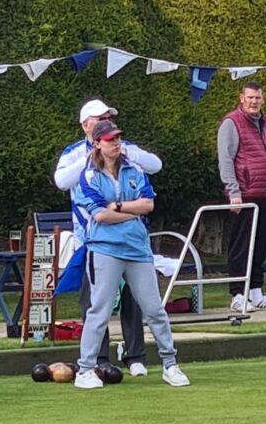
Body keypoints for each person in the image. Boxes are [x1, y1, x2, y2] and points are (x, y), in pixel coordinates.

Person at [69, 121, 188, 389]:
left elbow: (148, 204)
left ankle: (171, 364)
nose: (115, 143)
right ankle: (85, 369)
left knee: (155, 309)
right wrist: (129, 212)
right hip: (104, 248)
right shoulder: (87, 176)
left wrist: (120, 206)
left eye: (118, 138)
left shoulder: (134, 170)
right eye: (109, 139)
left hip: (138, 249)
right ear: (98, 142)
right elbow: (100, 214)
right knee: (98, 310)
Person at [55, 99, 164, 376]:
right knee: (94, 302)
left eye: (109, 117)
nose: (107, 122)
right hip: (91, 239)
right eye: (100, 118)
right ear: (85, 125)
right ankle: (99, 359)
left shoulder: (123, 149)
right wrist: (93, 155)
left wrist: (122, 152)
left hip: (130, 237)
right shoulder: (74, 153)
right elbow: (62, 181)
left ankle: (136, 355)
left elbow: (155, 165)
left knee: (135, 297)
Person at [217, 82, 266, 312]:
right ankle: (237, 293)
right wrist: (233, 191)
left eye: (257, 97)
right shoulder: (231, 123)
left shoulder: (264, 123)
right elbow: (225, 159)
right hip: (244, 194)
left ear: (262, 99)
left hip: (265, 192)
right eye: (250, 97)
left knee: (261, 245)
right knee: (241, 245)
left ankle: (256, 291)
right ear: (241, 98)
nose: (254, 101)